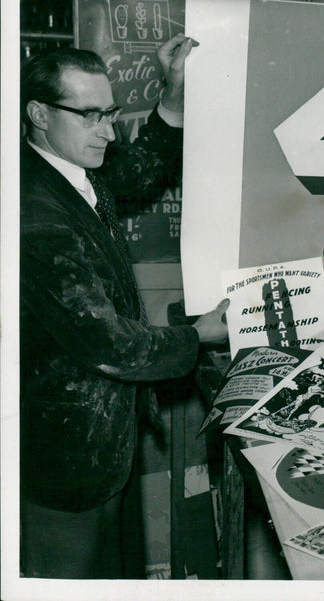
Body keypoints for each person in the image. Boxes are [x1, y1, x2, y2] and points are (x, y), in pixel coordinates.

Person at [19, 35, 229, 578]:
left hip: (103, 445)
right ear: (38, 113)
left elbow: (141, 167)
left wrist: (174, 93)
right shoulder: (32, 213)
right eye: (90, 116)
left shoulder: (68, 168)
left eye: (110, 112)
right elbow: (111, 345)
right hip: (64, 463)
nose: (108, 131)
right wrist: (201, 334)